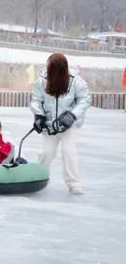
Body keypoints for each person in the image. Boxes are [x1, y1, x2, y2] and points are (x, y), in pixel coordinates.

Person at [30, 53, 91, 194]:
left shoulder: (76, 81)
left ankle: (74, 183)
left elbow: (84, 100)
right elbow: (36, 100)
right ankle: (41, 178)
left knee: (69, 152)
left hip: (69, 125)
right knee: (46, 152)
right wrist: (39, 116)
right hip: (50, 125)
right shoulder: (41, 81)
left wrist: (72, 115)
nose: (48, 70)